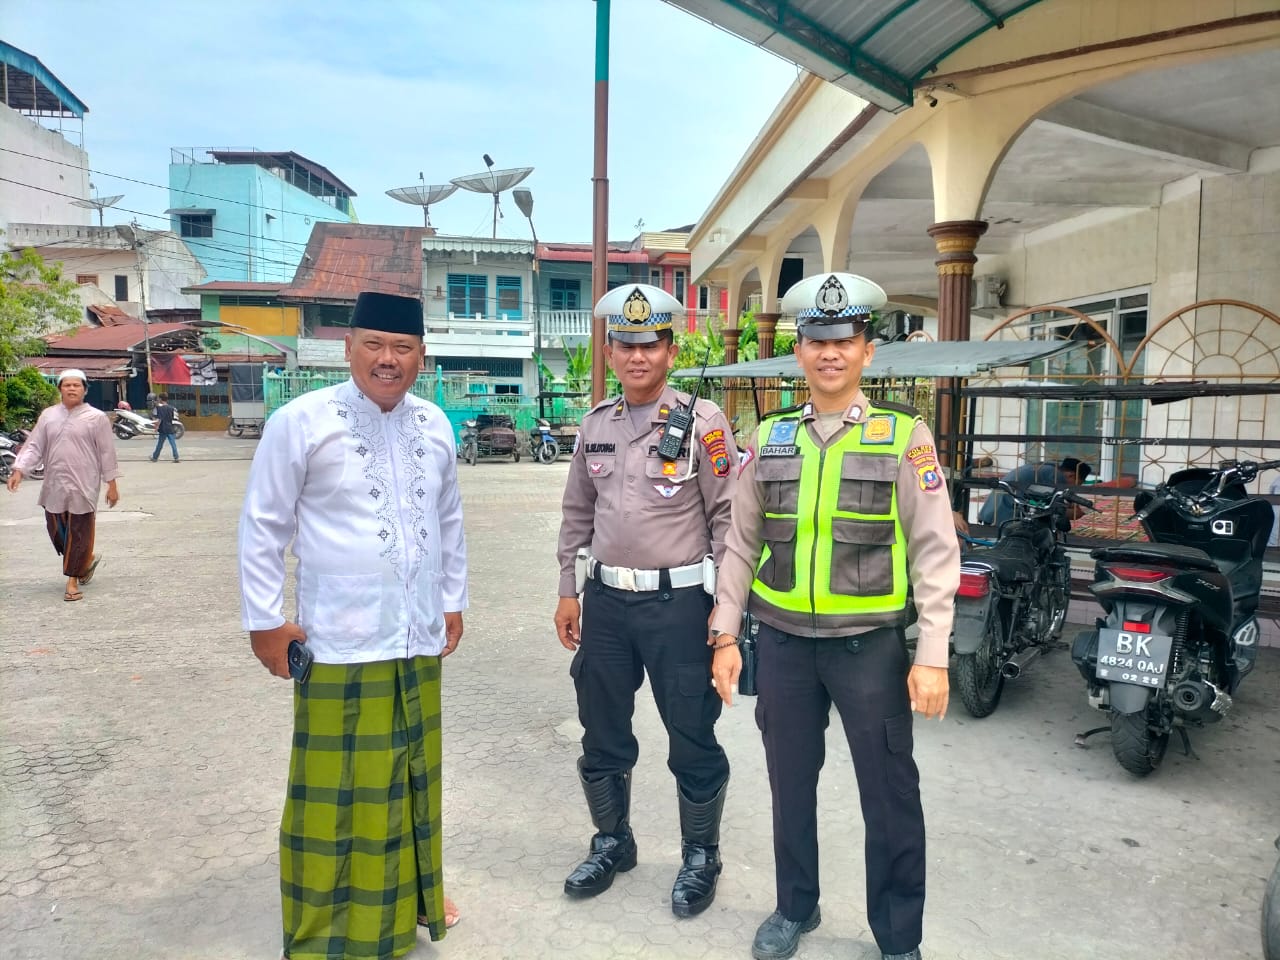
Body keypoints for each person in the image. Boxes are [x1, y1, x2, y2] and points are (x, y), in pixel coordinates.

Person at [708, 272, 960, 960]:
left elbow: (938, 553)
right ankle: (796, 907)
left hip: (869, 652)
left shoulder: (903, 438)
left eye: (844, 340)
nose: (830, 353)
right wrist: (725, 633)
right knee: (790, 786)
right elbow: (739, 541)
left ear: (867, 351)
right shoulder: (771, 437)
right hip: (784, 647)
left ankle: (898, 938)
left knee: (890, 797)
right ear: (800, 351)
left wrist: (932, 653)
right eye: (817, 340)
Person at [237, 291, 467, 960]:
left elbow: (448, 521)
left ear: (422, 355)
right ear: (348, 348)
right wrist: (264, 621)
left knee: (413, 781)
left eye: (403, 349)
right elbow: (262, 526)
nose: (388, 360)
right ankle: (328, 928)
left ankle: (418, 902)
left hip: (416, 635)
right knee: (334, 795)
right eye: (374, 345)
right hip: (336, 641)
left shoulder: (435, 426)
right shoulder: (302, 421)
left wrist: (452, 599)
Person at [555, 282, 738, 918]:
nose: (638, 356)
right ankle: (613, 842)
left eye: (651, 344)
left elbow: (730, 522)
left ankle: (699, 857)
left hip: (677, 607)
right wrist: (566, 590)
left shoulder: (703, 424)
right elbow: (577, 512)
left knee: (691, 733)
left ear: (670, 348)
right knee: (601, 728)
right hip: (605, 603)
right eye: (626, 344)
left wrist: (725, 618)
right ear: (610, 351)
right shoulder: (595, 425)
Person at [7, 368, 119, 602]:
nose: (71, 388)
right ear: (60, 389)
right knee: (56, 530)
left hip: (84, 484)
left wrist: (112, 483)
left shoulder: (96, 418)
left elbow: (107, 452)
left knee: (79, 532)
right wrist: (19, 469)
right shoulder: (48, 416)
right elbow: (35, 445)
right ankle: (85, 561)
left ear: (85, 390)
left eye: (76, 385)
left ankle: (72, 581)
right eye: (66, 385)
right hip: (55, 484)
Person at [976, 456, 1093, 528]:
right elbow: (1052, 507)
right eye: (1078, 483)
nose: (1075, 488)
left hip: (992, 512)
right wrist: (1074, 512)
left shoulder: (1046, 468)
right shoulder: (1055, 476)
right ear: (1071, 475)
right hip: (1005, 517)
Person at [150, 394, 180, 462]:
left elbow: (159, 419)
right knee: (173, 444)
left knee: (160, 444)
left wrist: (156, 427)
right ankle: (176, 457)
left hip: (163, 428)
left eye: (159, 398)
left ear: (160, 399)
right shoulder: (171, 408)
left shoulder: (160, 408)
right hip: (170, 427)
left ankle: (155, 457)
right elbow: (172, 418)